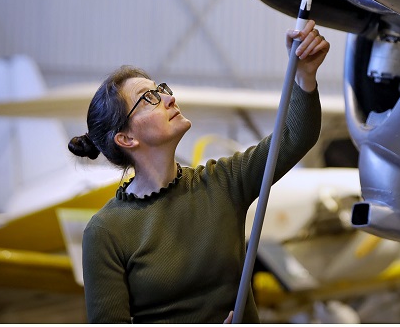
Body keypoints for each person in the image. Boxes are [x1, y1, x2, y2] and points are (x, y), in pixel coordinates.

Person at [68, 21, 330, 323]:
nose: (169, 98)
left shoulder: (222, 182)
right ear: (127, 139)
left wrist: (304, 76)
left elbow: (296, 136)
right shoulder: (105, 232)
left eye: (161, 90)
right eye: (149, 99)